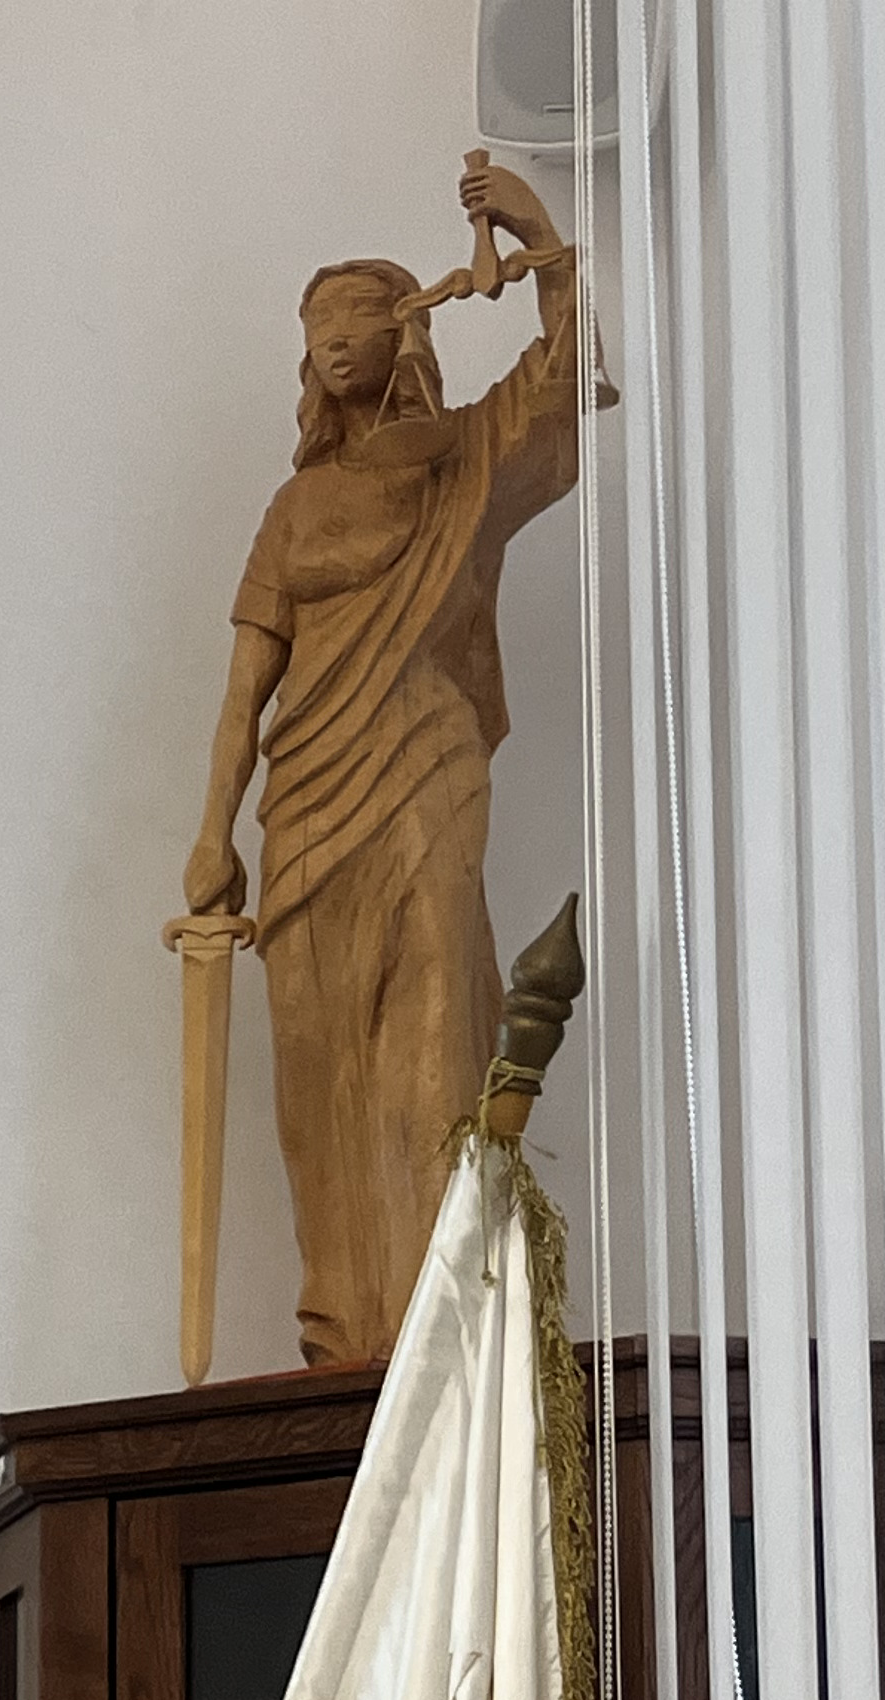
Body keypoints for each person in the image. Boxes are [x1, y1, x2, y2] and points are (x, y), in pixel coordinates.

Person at [182, 155, 591, 1364]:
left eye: (357, 317)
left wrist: (541, 241)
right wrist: (211, 832)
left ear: (407, 328)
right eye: (316, 328)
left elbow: (563, 379)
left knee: (430, 1039)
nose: (332, 342)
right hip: (306, 801)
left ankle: (443, 1324)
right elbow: (246, 686)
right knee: (316, 1072)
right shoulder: (292, 510)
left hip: (423, 764)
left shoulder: (463, 459)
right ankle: (347, 1337)